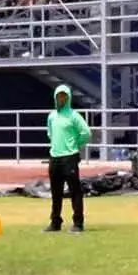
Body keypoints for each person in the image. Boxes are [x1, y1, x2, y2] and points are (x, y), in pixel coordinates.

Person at [45, 85, 91, 233]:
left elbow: (86, 133)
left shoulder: (74, 116)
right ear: (55, 97)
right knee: (55, 192)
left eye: (64, 96)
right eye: (59, 96)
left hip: (70, 157)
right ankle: (55, 222)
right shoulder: (52, 116)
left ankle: (78, 223)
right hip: (55, 157)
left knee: (75, 191)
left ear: (69, 98)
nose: (61, 99)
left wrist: (76, 145)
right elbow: (50, 133)